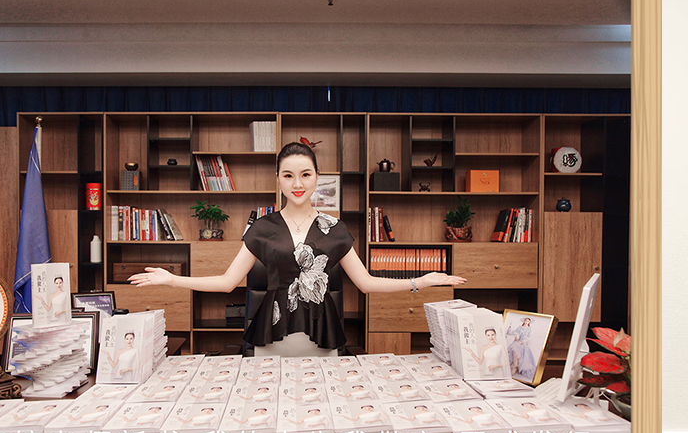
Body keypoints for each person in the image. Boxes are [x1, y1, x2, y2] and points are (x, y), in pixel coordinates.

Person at [129, 142, 466, 357]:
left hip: (322, 330)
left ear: (317, 177)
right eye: (288, 176)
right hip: (272, 332)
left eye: (305, 174)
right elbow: (227, 282)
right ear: (278, 178)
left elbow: (366, 283)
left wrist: (420, 281)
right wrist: (172, 280)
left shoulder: (335, 228)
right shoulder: (262, 227)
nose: (298, 183)